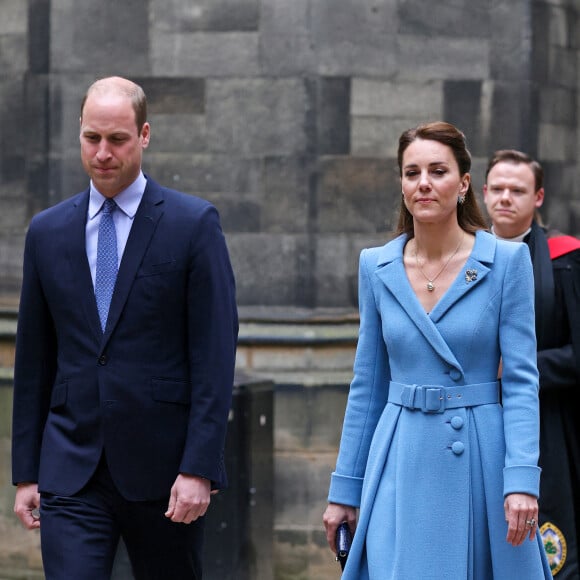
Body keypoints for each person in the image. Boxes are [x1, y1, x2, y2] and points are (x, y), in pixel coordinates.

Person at [11, 76, 238, 580]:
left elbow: (214, 354)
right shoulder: (47, 232)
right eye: (92, 138)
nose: (103, 153)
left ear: (145, 135)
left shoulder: (193, 223)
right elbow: (33, 360)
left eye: (117, 139)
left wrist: (200, 466)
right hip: (72, 470)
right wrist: (26, 473)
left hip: (165, 472)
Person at [322, 121, 552, 578]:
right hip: (400, 455)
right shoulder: (377, 265)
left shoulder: (506, 262)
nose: (423, 183)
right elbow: (367, 385)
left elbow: (524, 381)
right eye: (411, 173)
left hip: (481, 455)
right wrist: (344, 489)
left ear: (464, 184)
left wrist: (522, 478)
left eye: (437, 171)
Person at [484, 149, 580, 578]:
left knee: (547, 547)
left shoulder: (567, 260)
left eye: (517, 190)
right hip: (476, 420)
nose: (506, 197)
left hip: (547, 425)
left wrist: (519, 368)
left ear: (538, 197)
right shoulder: (457, 257)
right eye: (498, 188)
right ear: (482, 192)